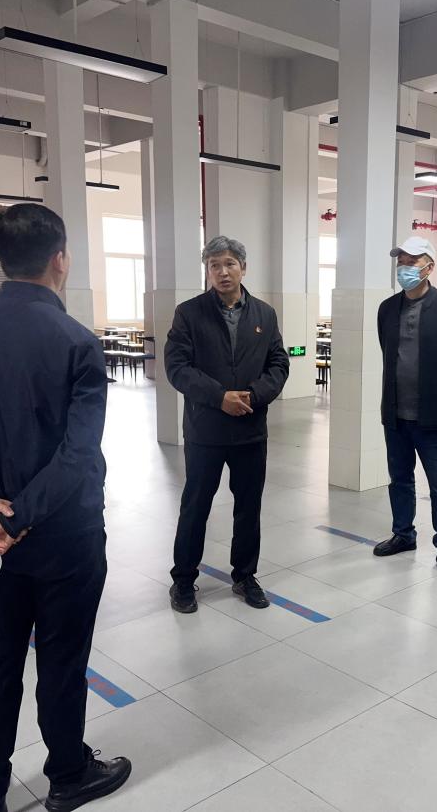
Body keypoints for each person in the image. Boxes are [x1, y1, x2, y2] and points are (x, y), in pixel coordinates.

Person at [0, 203, 130, 812]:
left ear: (1, 258)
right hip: (64, 535)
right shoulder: (77, 342)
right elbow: (77, 455)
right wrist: (17, 518)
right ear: (60, 259)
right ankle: (67, 774)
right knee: (63, 657)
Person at [164, 235, 290, 613]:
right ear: (207, 271)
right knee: (196, 506)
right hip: (206, 429)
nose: (222, 272)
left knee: (248, 507)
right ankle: (183, 580)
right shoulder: (189, 313)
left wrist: (254, 395)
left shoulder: (264, 314)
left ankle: (245, 575)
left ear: (243, 268)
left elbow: (279, 363)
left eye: (229, 264)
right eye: (214, 265)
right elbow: (177, 367)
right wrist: (220, 397)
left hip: (250, 429)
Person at [373, 236, 437, 571]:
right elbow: (387, 351)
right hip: (395, 414)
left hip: (433, 415)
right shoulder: (387, 309)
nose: (404, 267)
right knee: (399, 478)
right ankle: (403, 533)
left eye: (411, 261)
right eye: (400, 261)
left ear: (428, 268)